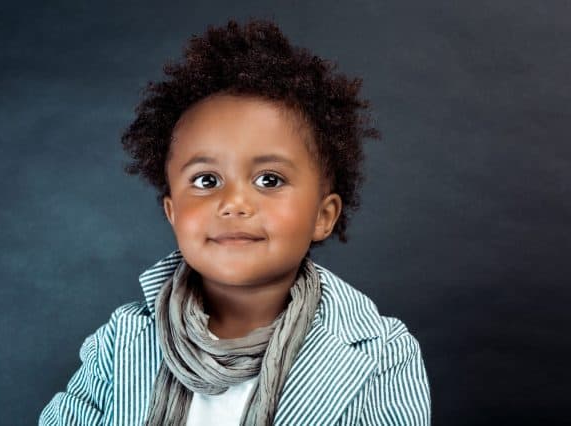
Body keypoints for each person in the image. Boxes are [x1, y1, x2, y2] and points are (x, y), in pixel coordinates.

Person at [39, 17, 431, 426]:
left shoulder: (383, 353)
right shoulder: (119, 344)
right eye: (207, 180)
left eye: (269, 180)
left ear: (323, 215)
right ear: (172, 212)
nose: (234, 202)